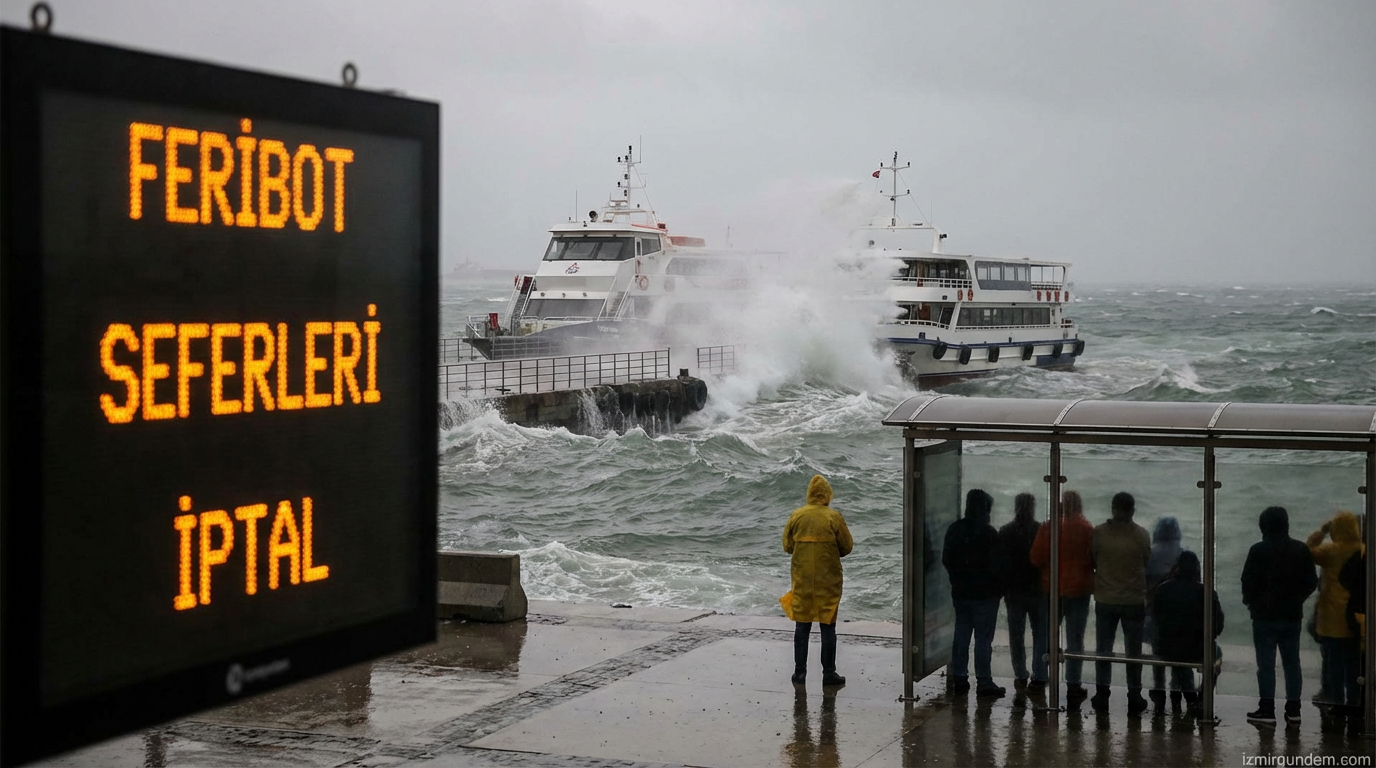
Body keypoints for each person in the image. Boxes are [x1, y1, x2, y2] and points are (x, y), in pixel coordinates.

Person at [1240, 505, 1318, 725]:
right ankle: (1294, 710)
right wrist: (1297, 599)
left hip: (1264, 617)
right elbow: (1312, 582)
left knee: (1266, 665)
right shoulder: (1301, 549)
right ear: (1286, 525)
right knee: (1292, 664)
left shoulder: (1257, 550)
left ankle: (1267, 710)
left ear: (1263, 526)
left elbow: (1247, 581)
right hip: (1292, 615)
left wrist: (1252, 603)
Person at [781, 474, 854, 687]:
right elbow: (847, 547)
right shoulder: (834, 517)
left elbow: (787, 546)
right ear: (827, 495)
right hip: (827, 579)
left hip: (802, 579)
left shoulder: (797, 515)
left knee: (802, 626)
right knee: (827, 626)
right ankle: (829, 673)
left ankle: (799, 673)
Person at [1029, 489, 1096, 705]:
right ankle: (1073, 684)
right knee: (1075, 638)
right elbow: (1095, 559)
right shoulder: (1087, 529)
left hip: (1052, 588)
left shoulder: (1050, 527)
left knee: (1045, 635)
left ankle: (1039, 678)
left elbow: (1035, 558)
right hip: (1079, 590)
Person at [1090, 491, 1151, 714]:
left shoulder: (1098, 533)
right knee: (1133, 652)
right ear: (1132, 510)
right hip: (1133, 599)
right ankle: (1134, 694)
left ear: (1112, 508)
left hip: (1106, 598)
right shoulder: (1141, 535)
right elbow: (1146, 560)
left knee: (1103, 649)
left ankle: (1102, 693)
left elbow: (1093, 559)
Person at [942, 488, 1006, 697]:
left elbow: (947, 559)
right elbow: (998, 567)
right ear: (984, 510)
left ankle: (960, 678)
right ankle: (984, 681)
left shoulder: (954, 530)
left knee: (961, 635)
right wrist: (998, 590)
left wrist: (957, 579)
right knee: (983, 640)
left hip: (961, 593)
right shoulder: (989, 534)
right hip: (985, 595)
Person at [1152, 550, 1224, 718]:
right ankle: (1200, 699)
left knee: (1178, 655)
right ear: (1196, 568)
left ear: (1177, 568)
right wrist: (1205, 638)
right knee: (1216, 657)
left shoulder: (1163, 589)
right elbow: (1218, 624)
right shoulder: (1205, 591)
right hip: (1196, 647)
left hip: (1166, 647)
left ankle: (1187, 698)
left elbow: (1157, 619)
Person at [1306, 510, 1363, 712]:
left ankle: (1335, 702)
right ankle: (1356, 703)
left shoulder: (1331, 551)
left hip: (1331, 618)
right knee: (1354, 665)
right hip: (1355, 617)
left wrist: (1321, 532)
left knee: (1333, 664)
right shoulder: (1363, 549)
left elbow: (1307, 551)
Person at [998, 492, 1048, 690]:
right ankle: (1039, 674)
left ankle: (1020, 674)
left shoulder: (1006, 531)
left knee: (1016, 635)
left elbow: (1001, 564)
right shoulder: (1040, 530)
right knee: (1040, 634)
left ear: (1015, 507)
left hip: (1014, 591)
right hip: (1037, 589)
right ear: (1032, 508)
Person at [1145, 516, 1183, 710]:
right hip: (1178, 614)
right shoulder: (1182, 554)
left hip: (1155, 612)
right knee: (1177, 654)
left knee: (1158, 653)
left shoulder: (1150, 554)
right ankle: (1176, 691)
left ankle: (1158, 690)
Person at [1338, 544, 1366, 722]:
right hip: (1363, 613)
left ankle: (1356, 703)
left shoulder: (1359, 554)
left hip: (1357, 613)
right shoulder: (1360, 553)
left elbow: (1343, 577)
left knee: (1356, 662)